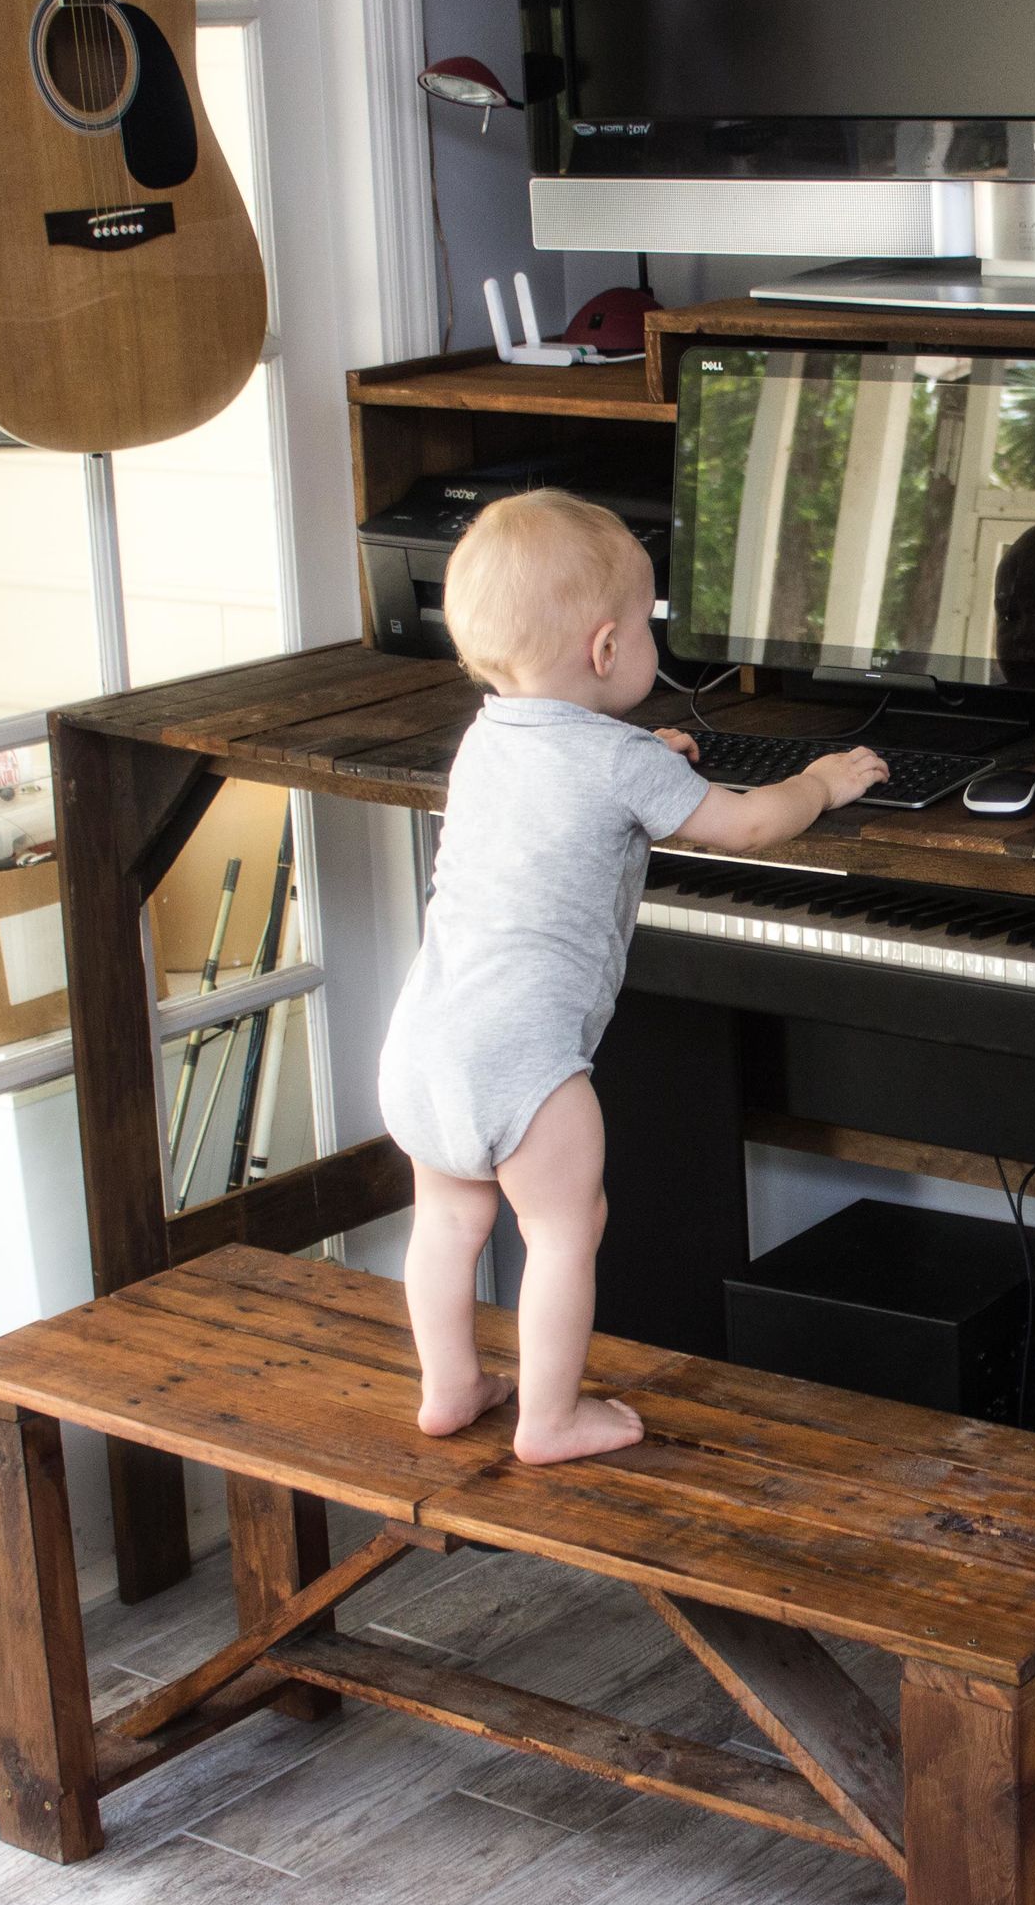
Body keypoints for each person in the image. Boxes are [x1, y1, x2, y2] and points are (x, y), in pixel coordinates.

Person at [379, 489, 887, 1463]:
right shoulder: (620, 765)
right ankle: (549, 1419)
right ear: (608, 653)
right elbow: (743, 822)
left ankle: (449, 1387)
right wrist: (821, 781)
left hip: (427, 1039)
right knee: (568, 1230)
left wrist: (643, 758)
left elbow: (568, 786)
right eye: (651, 627)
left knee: (448, 1219)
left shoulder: (488, 741)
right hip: (526, 1061)